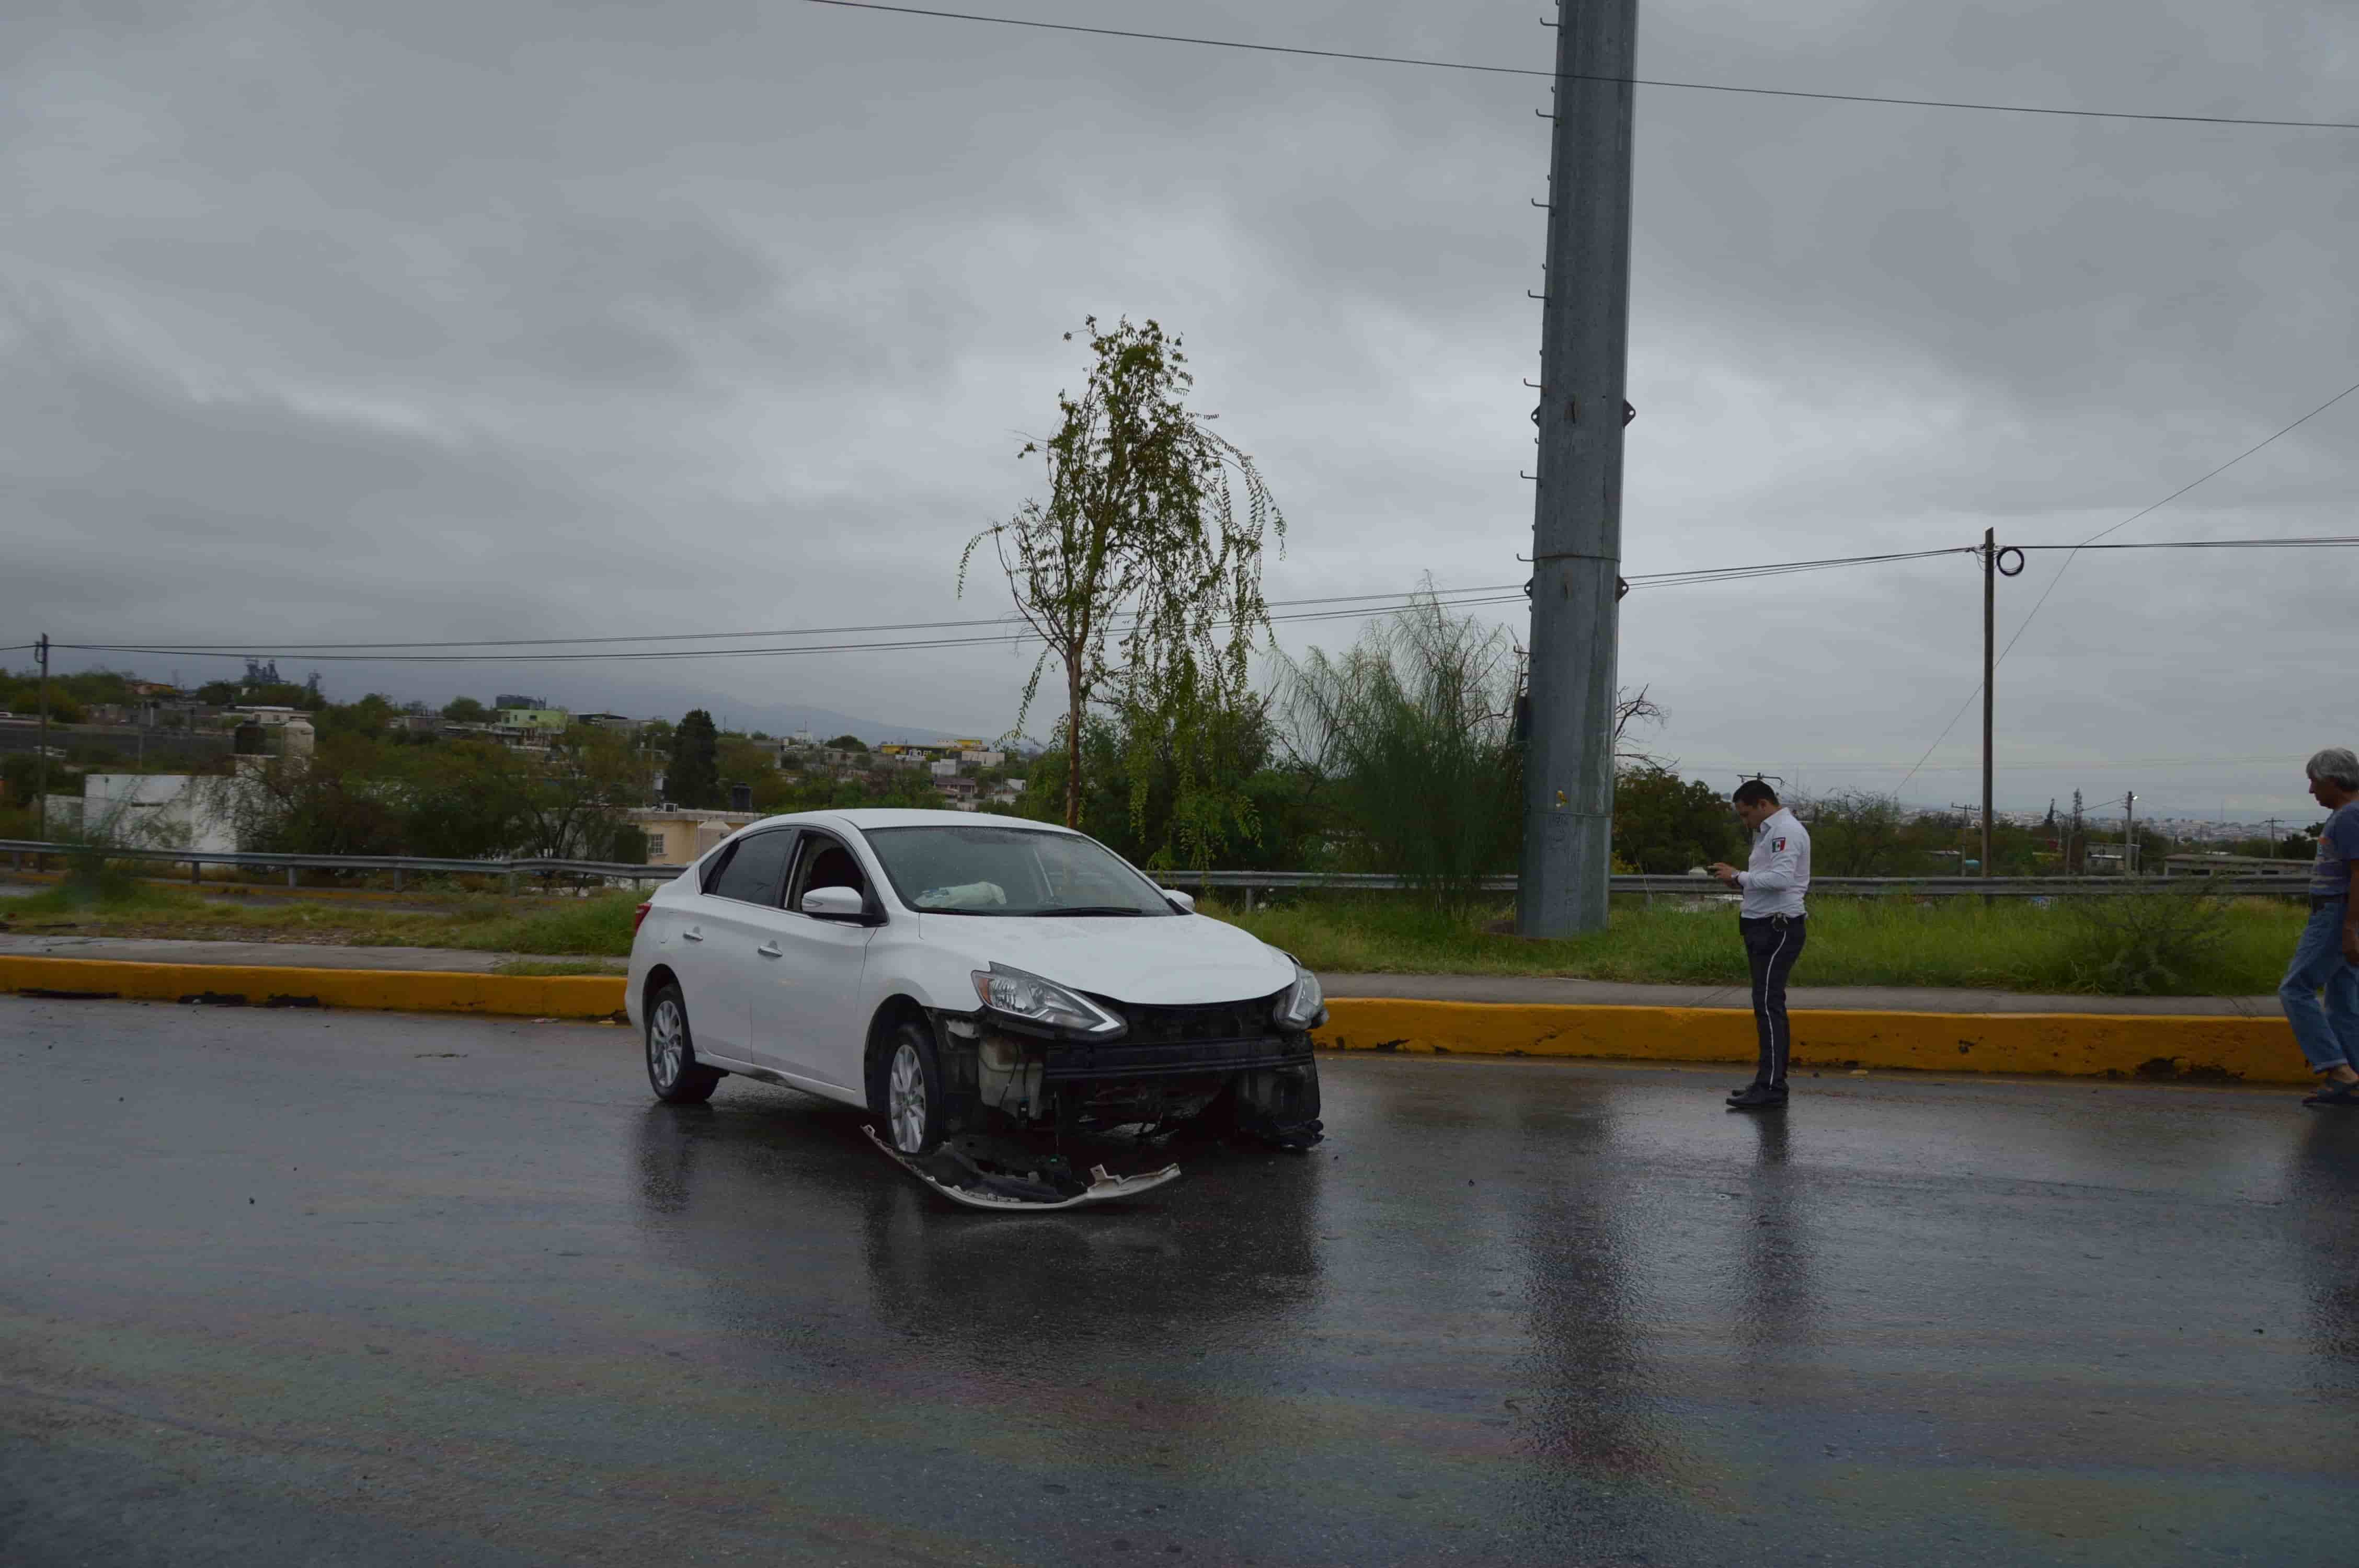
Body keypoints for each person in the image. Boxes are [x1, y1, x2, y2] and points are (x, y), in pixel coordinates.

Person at [1709, 780, 1811, 1111]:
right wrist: (1740, 881)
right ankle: (1767, 1082)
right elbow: (1767, 882)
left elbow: (1782, 880)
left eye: (1746, 814)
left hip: (1777, 929)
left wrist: (1738, 876)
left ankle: (1771, 1087)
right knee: (1766, 1006)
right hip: (1763, 926)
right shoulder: (1769, 834)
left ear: (1763, 804)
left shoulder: (1784, 832)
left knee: (1768, 1007)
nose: (1745, 821)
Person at [2283, 747, 2359, 1107]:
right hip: (2341, 915)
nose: (2312, 791)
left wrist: (2349, 929)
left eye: (2314, 782)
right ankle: (2354, 1080)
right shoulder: (2350, 814)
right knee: (2343, 999)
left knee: (2296, 989)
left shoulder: (2349, 816)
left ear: (2333, 781)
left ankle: (2338, 1070)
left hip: (2336, 914)